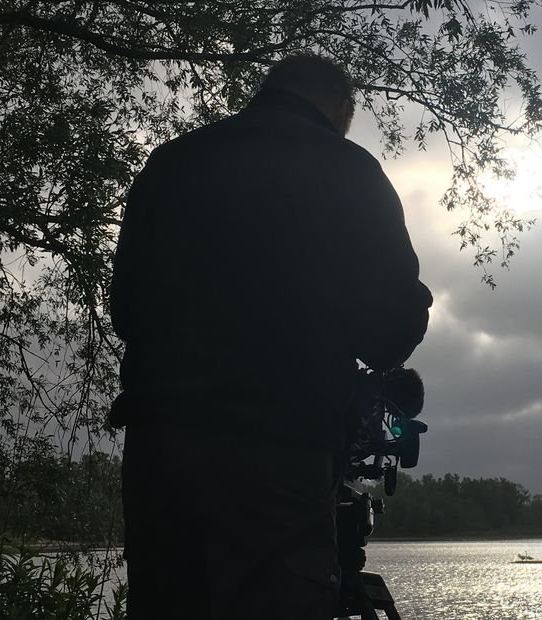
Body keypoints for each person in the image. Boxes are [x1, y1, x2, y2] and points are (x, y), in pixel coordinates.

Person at [109, 53, 432, 619]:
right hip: (277, 453)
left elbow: (126, 311)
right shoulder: (349, 170)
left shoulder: (171, 162)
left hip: (160, 454)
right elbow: (388, 332)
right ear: (340, 105)